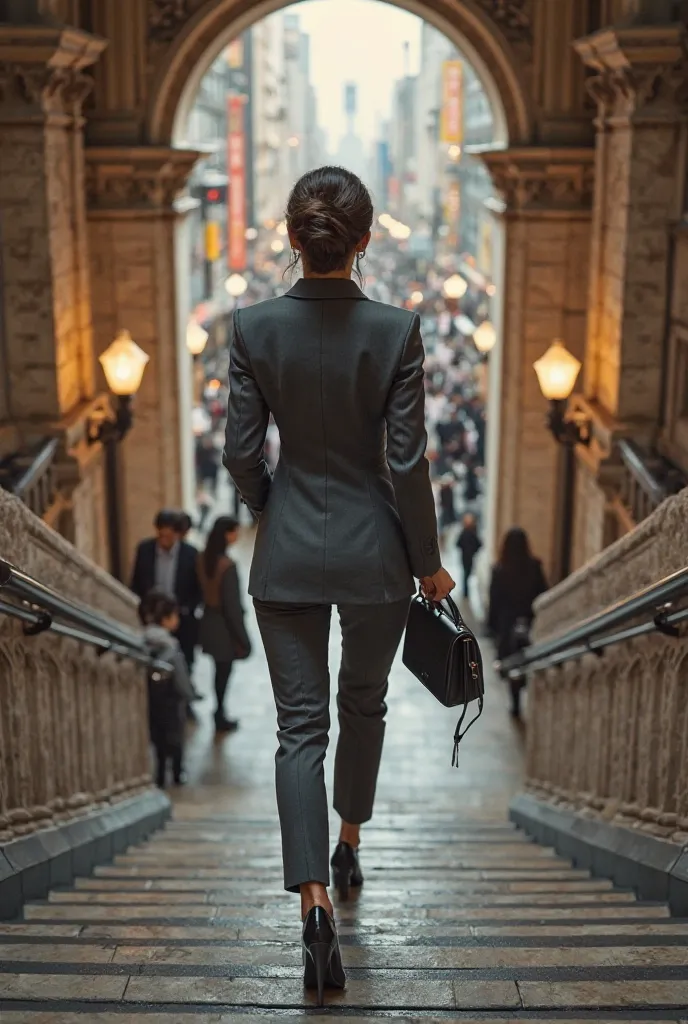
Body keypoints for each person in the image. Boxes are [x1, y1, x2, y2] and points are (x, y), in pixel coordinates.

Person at [223, 165, 455, 1003]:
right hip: (375, 564)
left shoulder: (251, 328)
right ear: (363, 241)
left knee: (297, 730)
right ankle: (349, 839)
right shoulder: (396, 331)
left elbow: (242, 456)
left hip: (286, 555)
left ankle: (313, 905)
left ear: (294, 238)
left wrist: (272, 510)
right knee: (365, 704)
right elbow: (407, 465)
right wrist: (426, 561)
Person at [129, 510, 202, 673]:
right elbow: (136, 582)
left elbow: (198, 589)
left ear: (178, 534)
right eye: (161, 536)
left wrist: (187, 609)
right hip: (152, 620)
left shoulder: (191, 554)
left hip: (181, 620)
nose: (164, 541)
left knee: (185, 662)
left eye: (168, 537)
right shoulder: (145, 550)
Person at [197, 515, 251, 733]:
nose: (237, 536)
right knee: (223, 674)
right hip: (224, 628)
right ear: (227, 534)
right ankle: (219, 714)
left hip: (208, 622)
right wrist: (244, 639)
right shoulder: (227, 567)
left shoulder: (202, 559)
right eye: (235, 531)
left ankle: (218, 711)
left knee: (217, 672)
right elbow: (233, 608)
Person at [488, 527, 548, 719]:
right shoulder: (535, 567)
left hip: (507, 624)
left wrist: (492, 627)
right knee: (526, 658)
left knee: (511, 663)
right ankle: (523, 689)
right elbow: (543, 593)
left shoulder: (499, 570)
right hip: (528, 621)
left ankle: (515, 703)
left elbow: (494, 601)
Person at [139, 590, 197, 787]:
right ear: (166, 619)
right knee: (176, 736)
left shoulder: (143, 641)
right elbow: (180, 675)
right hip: (172, 699)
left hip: (153, 697)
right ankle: (178, 773)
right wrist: (190, 695)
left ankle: (161, 774)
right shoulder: (171, 646)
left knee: (158, 736)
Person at [456, 513, 482, 599]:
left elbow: (479, 544)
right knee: (466, 574)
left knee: (466, 574)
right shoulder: (467, 533)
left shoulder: (469, 532)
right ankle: (465, 592)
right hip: (466, 557)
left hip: (468, 556)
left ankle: (465, 592)